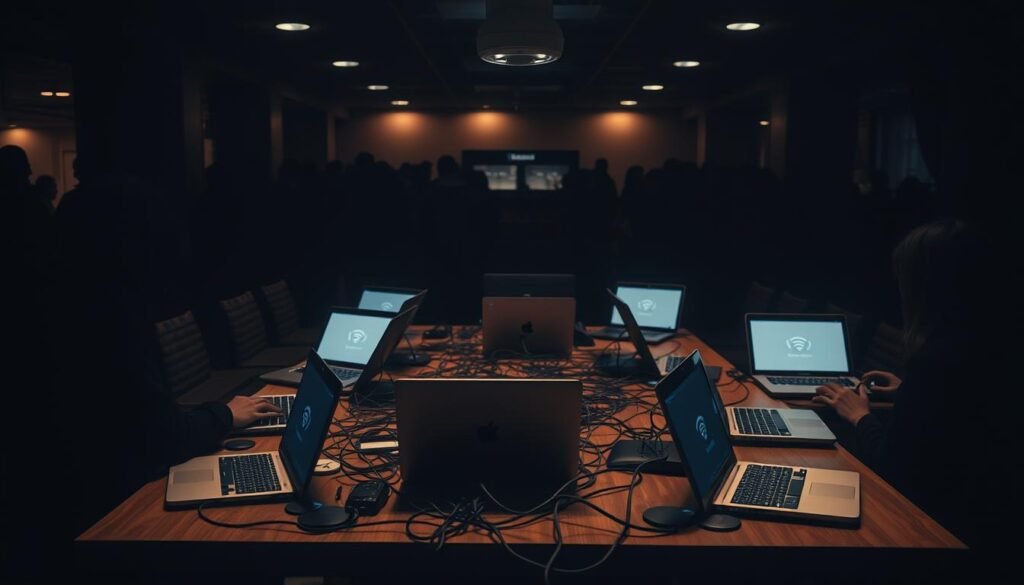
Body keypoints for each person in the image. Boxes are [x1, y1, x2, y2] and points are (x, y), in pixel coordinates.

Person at [813, 219, 1010, 552]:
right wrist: (909, 391)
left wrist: (858, 414)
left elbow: (893, 467)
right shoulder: (989, 349)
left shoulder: (935, 361)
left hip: (931, 531)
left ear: (924, 289)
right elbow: (958, 419)